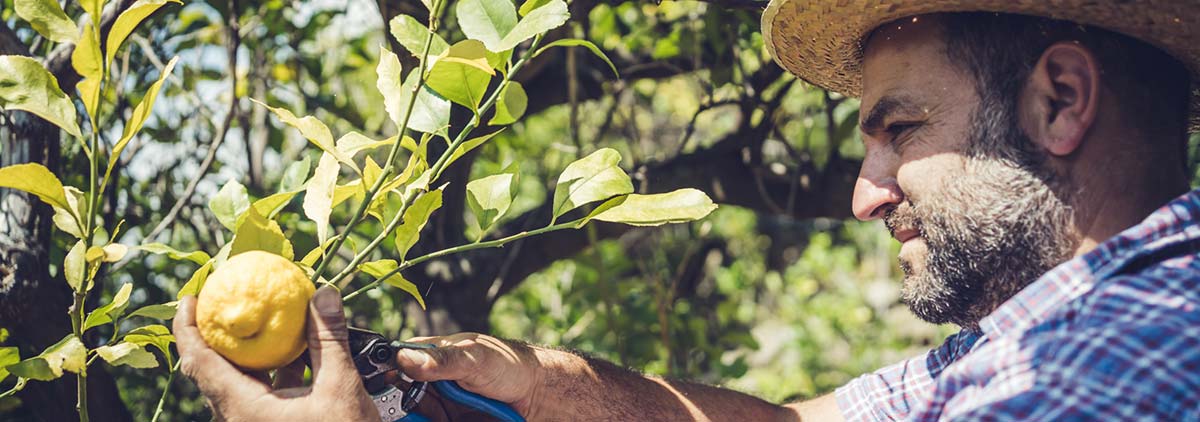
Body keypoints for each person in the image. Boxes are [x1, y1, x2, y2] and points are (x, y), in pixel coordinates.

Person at [175, 0, 1200, 420]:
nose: (864, 192)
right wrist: (551, 383)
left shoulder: (1104, 371)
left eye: (899, 126)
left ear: (1060, 100)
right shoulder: (1021, 341)